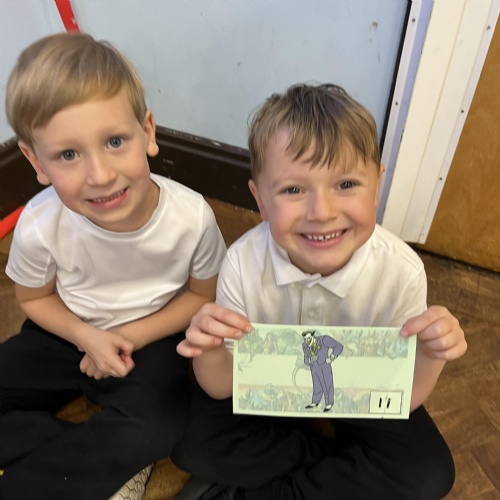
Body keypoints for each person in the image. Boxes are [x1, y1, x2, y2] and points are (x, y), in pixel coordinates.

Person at [172, 83, 467, 499]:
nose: (322, 212)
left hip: (358, 399)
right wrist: (210, 350)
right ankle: (334, 462)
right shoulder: (241, 263)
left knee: (429, 472)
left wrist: (432, 356)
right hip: (265, 396)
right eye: (293, 190)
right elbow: (221, 387)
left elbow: (404, 397)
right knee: (195, 444)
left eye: (346, 184)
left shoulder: (401, 272)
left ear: (377, 188)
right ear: (260, 200)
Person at [0, 32, 226, 499]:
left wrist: (128, 337)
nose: (100, 175)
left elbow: (203, 295)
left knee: (156, 426)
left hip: (151, 337)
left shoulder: (192, 216)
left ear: (148, 132)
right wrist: (87, 337)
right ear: (35, 160)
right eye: (68, 155)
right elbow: (34, 298)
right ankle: (96, 462)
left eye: (115, 141)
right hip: (66, 332)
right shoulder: (40, 224)